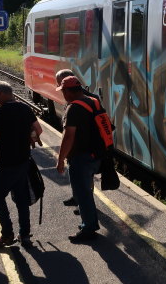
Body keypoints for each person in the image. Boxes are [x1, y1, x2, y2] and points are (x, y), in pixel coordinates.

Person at [0, 81, 43, 250]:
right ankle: (24, 236)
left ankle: (7, 234)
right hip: (24, 162)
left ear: (3, 94)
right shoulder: (25, 109)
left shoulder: (0, 113)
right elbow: (38, 130)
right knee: (22, 200)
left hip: (7, 165)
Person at [56, 75, 103, 242]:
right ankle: (90, 224)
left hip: (81, 158)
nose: (62, 94)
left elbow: (68, 137)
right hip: (95, 155)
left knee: (83, 195)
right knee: (86, 192)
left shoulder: (74, 108)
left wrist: (60, 159)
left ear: (68, 91)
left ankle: (88, 228)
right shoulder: (92, 101)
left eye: (63, 91)